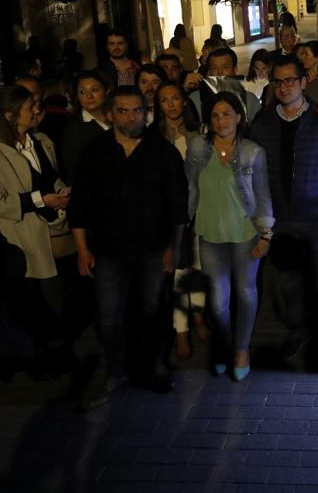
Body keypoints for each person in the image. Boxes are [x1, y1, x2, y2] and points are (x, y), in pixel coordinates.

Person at [69, 86, 187, 409]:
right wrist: (82, 249)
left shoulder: (163, 153)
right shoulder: (94, 153)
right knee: (109, 316)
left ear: (146, 113)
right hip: (107, 249)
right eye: (123, 110)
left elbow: (178, 207)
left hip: (153, 247)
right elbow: (78, 206)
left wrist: (174, 248)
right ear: (110, 113)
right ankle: (116, 370)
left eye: (137, 110)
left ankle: (156, 366)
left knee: (153, 309)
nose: (131, 117)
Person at [248, 56, 318, 372]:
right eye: (278, 81)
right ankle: (299, 331)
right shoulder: (262, 124)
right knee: (290, 284)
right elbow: (255, 175)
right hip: (280, 220)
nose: (284, 87)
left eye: (290, 80)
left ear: (304, 81)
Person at [0, 86, 71, 356]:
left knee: (58, 299)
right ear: (10, 116)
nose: (37, 111)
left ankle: (58, 349)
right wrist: (39, 199)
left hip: (56, 234)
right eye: (30, 107)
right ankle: (43, 354)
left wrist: (62, 191)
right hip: (23, 240)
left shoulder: (42, 142)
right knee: (35, 302)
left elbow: (51, 176)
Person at [186, 93, 273, 380]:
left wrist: (266, 235)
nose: (221, 120)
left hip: (245, 233)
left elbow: (262, 194)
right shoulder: (197, 147)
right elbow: (190, 188)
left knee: (246, 293)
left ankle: (241, 349)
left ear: (239, 116)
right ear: (208, 121)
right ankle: (222, 345)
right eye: (215, 115)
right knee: (217, 302)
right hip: (209, 234)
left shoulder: (252, 152)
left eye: (227, 114)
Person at [154, 81, 205, 362]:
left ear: (185, 101)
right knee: (177, 274)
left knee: (196, 268)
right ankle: (182, 330)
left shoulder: (198, 134)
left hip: (198, 212)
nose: (171, 104)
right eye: (165, 99)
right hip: (169, 217)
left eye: (176, 98)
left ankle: (198, 316)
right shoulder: (154, 137)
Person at [184, 47, 261, 125]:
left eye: (225, 67)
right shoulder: (195, 98)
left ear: (235, 70)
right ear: (209, 71)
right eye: (214, 68)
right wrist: (184, 90)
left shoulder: (250, 100)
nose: (219, 72)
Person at [60, 71, 112, 181]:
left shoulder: (118, 118)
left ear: (106, 91)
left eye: (94, 90)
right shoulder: (74, 130)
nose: (89, 96)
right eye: (82, 92)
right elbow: (75, 170)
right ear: (77, 97)